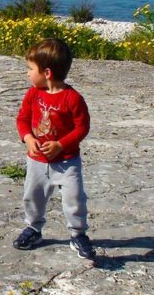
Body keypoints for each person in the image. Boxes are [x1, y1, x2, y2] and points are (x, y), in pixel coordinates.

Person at [13, 38, 96, 260]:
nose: (28, 74)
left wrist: (61, 145)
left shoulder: (73, 99)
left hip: (67, 162)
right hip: (37, 161)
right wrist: (27, 137)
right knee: (33, 196)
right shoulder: (33, 94)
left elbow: (82, 127)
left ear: (47, 72)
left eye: (30, 69)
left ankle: (78, 234)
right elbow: (22, 119)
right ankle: (33, 228)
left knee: (74, 198)